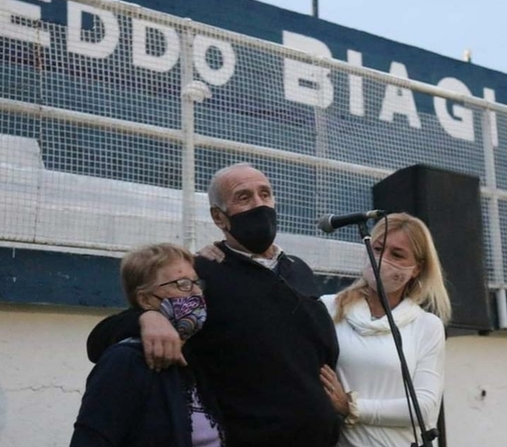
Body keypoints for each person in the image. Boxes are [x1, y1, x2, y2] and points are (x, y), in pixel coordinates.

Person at [86, 163, 341, 447]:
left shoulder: (299, 269)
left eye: (265, 194)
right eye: (244, 197)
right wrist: (147, 318)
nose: (259, 204)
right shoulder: (203, 274)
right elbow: (98, 341)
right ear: (219, 217)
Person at [318, 213, 451, 447]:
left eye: (397, 255)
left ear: (416, 268)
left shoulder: (426, 326)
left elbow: (425, 407)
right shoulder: (329, 308)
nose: (382, 259)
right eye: (378, 249)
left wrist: (352, 406)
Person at [71, 243, 222, 447]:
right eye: (183, 284)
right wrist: (145, 318)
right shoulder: (126, 360)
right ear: (145, 299)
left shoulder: (196, 355)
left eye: (196, 283)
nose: (196, 292)